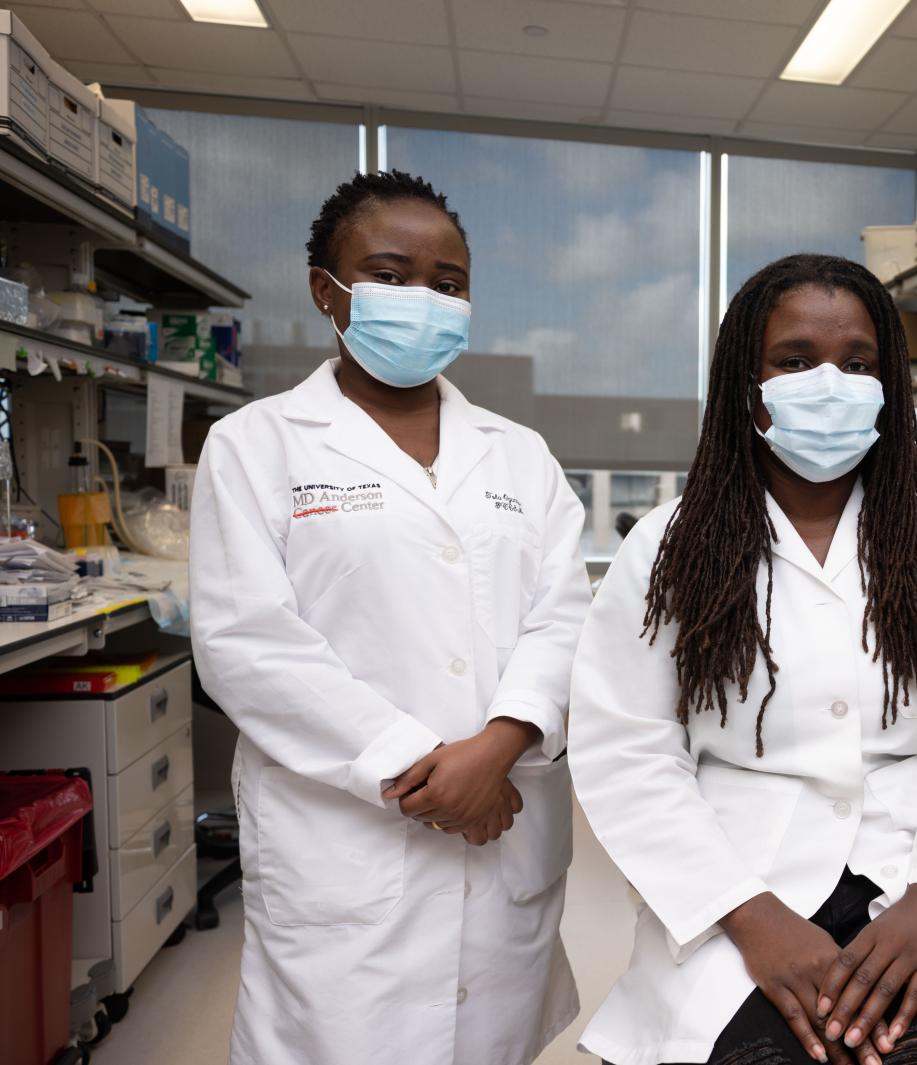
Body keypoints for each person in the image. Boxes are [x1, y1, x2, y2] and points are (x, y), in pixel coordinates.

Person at [569, 254, 917, 1065]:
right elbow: (628, 747)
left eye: (858, 363)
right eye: (795, 361)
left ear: (888, 385)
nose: (829, 382)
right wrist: (751, 916)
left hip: (910, 880)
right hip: (738, 889)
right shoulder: (669, 546)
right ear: (746, 382)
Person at [189, 170, 591, 1065]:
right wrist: (420, 768)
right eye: (392, 273)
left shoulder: (519, 456)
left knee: (491, 1041)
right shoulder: (257, 444)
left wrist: (498, 747)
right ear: (326, 292)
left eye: (447, 283)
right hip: (346, 840)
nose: (424, 299)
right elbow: (246, 643)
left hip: (505, 820)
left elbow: (567, 616)